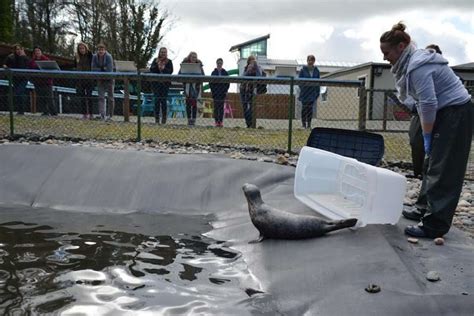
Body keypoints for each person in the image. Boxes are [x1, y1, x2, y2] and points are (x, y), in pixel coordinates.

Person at [380, 22, 472, 238]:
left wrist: (428, 134)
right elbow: (422, 102)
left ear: (401, 46)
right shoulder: (407, 65)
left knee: (444, 168)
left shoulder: (417, 66)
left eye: (387, 52)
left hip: (455, 113)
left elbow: (429, 103)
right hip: (444, 111)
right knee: (431, 162)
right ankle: (423, 207)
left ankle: (435, 225)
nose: (385, 58)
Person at [407, 44, 443, 178]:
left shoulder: (441, 73)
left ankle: (431, 173)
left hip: (437, 113)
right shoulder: (418, 70)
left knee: (436, 146)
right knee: (416, 141)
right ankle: (418, 171)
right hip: (419, 114)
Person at [28, 46, 56, 116]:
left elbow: (51, 68)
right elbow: (30, 70)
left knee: (49, 98)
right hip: (37, 82)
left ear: (41, 51)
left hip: (47, 82)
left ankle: (53, 112)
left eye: (38, 51)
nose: (37, 52)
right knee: (41, 98)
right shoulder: (32, 61)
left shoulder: (46, 59)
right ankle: (45, 111)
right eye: (36, 51)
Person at [3, 44, 30, 115]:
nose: (18, 51)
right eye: (17, 49)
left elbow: (28, 65)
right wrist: (6, 67)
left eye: (19, 49)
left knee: (19, 92)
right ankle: (20, 110)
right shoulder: (11, 57)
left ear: (22, 50)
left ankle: (21, 110)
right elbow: (5, 64)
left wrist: (23, 56)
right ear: (14, 50)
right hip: (15, 78)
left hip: (23, 78)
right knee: (18, 94)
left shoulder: (25, 57)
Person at [149, 47, 173, 124]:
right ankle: (156, 118)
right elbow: (152, 70)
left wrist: (163, 68)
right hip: (156, 84)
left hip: (165, 84)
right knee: (156, 101)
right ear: (159, 53)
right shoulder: (155, 61)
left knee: (163, 101)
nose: (163, 53)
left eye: (164, 52)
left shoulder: (169, 62)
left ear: (166, 53)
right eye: (162, 52)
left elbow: (170, 71)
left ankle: (164, 118)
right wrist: (158, 67)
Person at [179, 51, 204, 126]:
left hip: (195, 87)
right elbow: (180, 74)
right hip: (187, 86)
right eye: (192, 57)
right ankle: (189, 119)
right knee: (188, 104)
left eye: (195, 57)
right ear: (189, 57)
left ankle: (193, 120)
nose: (194, 58)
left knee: (194, 104)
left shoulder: (199, 65)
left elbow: (203, 75)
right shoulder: (184, 64)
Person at [91, 43, 115, 121]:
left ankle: (110, 115)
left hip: (109, 79)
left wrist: (100, 69)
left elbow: (109, 69)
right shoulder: (94, 57)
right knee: (101, 97)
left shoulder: (109, 56)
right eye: (99, 50)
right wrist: (102, 69)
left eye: (102, 50)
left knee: (110, 98)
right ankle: (102, 115)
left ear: (105, 50)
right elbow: (93, 68)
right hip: (100, 79)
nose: (100, 51)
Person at [298, 54, 320, 129]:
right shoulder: (303, 70)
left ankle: (309, 125)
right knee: (304, 108)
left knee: (310, 109)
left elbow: (318, 82)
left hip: (312, 93)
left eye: (312, 60)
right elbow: (299, 81)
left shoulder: (316, 70)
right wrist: (303, 88)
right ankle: (303, 124)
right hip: (304, 92)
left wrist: (317, 92)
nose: (310, 62)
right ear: (307, 61)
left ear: (314, 61)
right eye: (309, 60)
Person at [240, 55, 263, 128]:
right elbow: (243, 77)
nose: (252, 62)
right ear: (248, 61)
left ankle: (251, 123)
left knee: (251, 107)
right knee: (245, 107)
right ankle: (248, 124)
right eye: (251, 60)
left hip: (252, 90)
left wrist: (256, 67)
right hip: (244, 90)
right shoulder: (246, 68)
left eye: (254, 60)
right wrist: (248, 70)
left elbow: (259, 77)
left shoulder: (257, 69)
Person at [74, 42, 93, 119]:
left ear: (86, 48)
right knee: (82, 97)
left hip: (89, 79)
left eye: (83, 48)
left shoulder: (90, 55)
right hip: (80, 79)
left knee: (89, 96)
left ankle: (91, 114)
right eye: (80, 48)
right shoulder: (76, 57)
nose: (82, 50)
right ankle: (84, 114)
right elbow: (75, 66)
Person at [209, 58, 230, 127]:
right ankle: (216, 121)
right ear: (216, 63)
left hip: (222, 93)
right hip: (215, 93)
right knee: (216, 107)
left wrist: (225, 90)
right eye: (218, 63)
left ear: (222, 64)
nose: (219, 64)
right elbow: (211, 83)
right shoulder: (213, 72)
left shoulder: (225, 73)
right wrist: (213, 91)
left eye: (220, 63)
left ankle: (220, 122)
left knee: (221, 108)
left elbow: (228, 83)